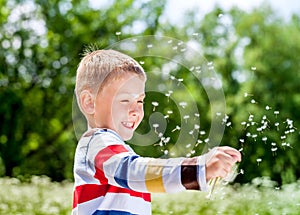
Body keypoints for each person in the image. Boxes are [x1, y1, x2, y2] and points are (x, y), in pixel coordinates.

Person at [72, 49, 241, 215]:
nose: (135, 110)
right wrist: (200, 168)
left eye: (140, 101)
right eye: (124, 100)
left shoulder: (113, 150)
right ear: (89, 102)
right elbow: (134, 171)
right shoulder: (96, 143)